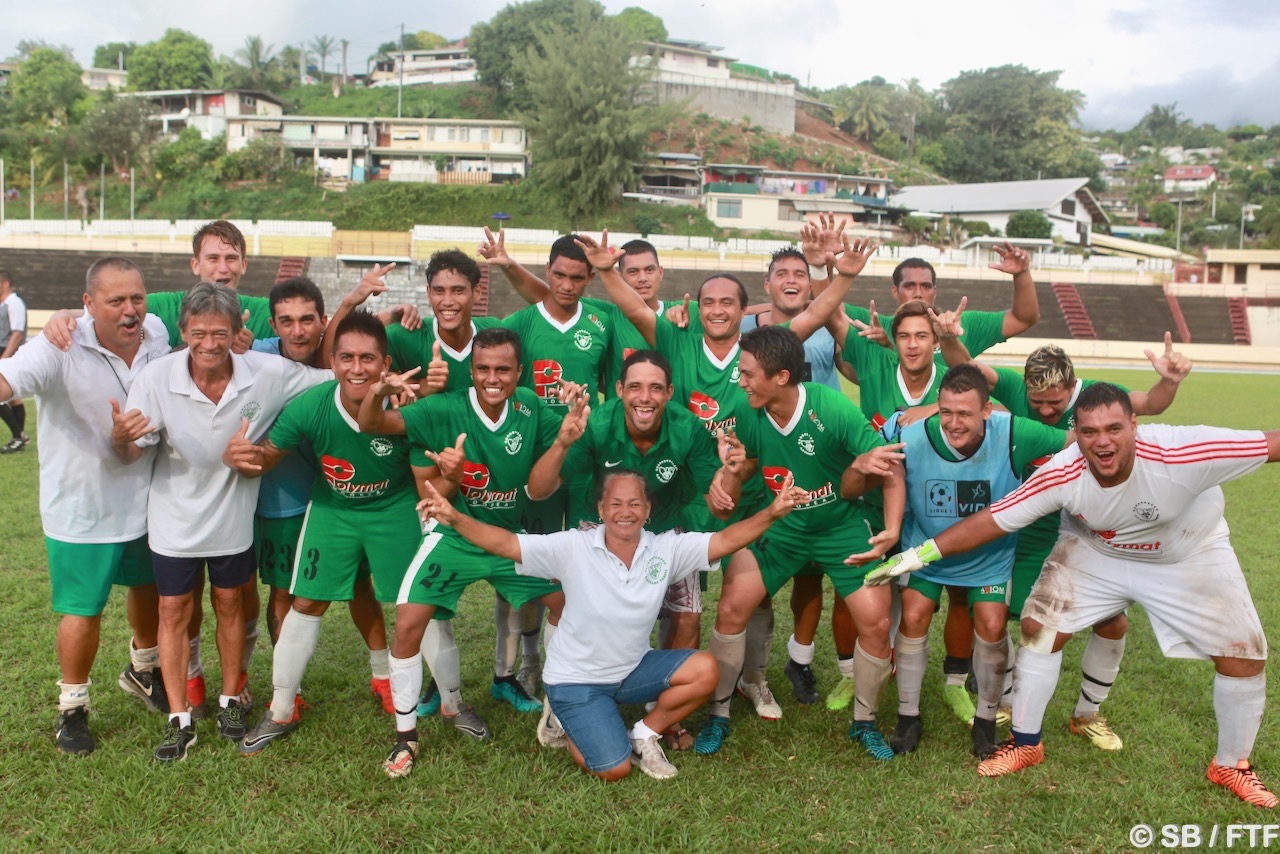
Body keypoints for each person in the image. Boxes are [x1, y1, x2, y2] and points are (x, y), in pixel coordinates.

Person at [866, 383, 1280, 808]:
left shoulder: (1184, 450)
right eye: (1089, 431)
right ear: (1076, 433)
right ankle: (1026, 742)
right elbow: (994, 520)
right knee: (1039, 626)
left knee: (1243, 653)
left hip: (1188, 551)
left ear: (1135, 425)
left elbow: (1271, 443)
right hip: (1098, 549)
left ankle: (1232, 764)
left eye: (1114, 428)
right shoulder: (1064, 470)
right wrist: (917, 555)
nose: (1102, 441)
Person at [586, 229, 874, 723]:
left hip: (751, 488)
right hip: (689, 492)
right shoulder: (676, 339)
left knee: (750, 595)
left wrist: (842, 277)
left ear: (744, 309)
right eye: (708, 302)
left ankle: (753, 679)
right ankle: (662, 681)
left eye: (727, 302)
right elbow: (635, 311)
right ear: (695, 309)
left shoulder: (761, 351)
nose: (717, 310)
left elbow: (811, 315)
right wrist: (608, 270)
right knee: (678, 594)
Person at [415, 467, 811, 781]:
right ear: (601, 510)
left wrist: (773, 512)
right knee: (613, 769)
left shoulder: (665, 548)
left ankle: (643, 733)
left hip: (630, 670)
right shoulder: (572, 546)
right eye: (616, 503)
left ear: (648, 509)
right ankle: (565, 718)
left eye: (635, 503)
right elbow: (505, 543)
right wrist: (453, 517)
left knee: (706, 668)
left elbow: (725, 540)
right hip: (576, 680)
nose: (626, 512)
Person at [112, 282, 331, 762]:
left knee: (231, 603)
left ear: (237, 333)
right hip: (173, 520)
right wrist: (120, 437)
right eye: (197, 333)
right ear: (183, 331)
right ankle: (179, 717)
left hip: (233, 518)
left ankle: (232, 701)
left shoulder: (267, 373)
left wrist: (396, 381)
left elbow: (334, 379)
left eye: (219, 333)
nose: (208, 344)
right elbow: (131, 452)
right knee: (173, 612)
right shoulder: (156, 378)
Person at [358, 326, 583, 777]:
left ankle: (557, 707)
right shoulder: (443, 407)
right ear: (472, 370)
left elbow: (538, 492)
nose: (492, 378)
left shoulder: (533, 408)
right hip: (454, 537)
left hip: (507, 538)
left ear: (520, 372)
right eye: (483, 368)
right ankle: (405, 738)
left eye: (503, 369)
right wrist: (378, 392)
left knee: (568, 603)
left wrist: (561, 442)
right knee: (407, 621)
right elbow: (372, 424)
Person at [954, 335, 1193, 751]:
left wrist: (1169, 381)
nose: (1045, 411)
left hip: (1085, 530)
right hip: (1026, 524)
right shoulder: (1011, 386)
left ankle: (1087, 713)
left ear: (1073, 388)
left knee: (1113, 621)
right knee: (1004, 614)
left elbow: (1149, 403)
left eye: (1056, 403)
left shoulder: (1094, 399)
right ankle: (1008, 701)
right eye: (1038, 402)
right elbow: (967, 370)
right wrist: (946, 339)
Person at [699, 325, 906, 758]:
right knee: (733, 604)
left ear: (781, 377)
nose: (740, 381)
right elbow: (748, 461)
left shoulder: (831, 408)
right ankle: (717, 714)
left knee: (876, 622)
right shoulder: (748, 406)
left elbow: (889, 465)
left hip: (840, 527)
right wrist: (727, 477)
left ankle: (865, 722)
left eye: (748, 373)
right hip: (782, 526)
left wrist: (889, 528)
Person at [526, 348, 743, 749]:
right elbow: (539, 491)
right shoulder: (597, 424)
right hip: (603, 530)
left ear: (670, 392)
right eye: (636, 387)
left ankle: (663, 716)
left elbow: (719, 508)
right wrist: (560, 443)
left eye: (656, 388)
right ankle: (563, 697)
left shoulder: (689, 428)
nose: (646, 397)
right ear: (620, 389)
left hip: (664, 533)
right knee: (580, 611)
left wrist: (729, 476)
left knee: (687, 616)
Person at [227, 310, 421, 754]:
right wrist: (241, 455)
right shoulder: (310, 405)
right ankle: (280, 709)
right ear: (332, 363)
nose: (357, 368)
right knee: (307, 600)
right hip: (334, 508)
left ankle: (416, 690)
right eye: (347, 358)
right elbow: (267, 458)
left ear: (385, 364)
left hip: (394, 508)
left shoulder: (407, 404)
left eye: (368, 358)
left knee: (416, 601)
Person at [0, 257, 171, 754]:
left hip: (146, 497)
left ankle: (143, 671)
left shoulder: (157, 332)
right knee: (83, 610)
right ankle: (72, 709)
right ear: (87, 304)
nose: (129, 310)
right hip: (82, 508)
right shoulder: (58, 345)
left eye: (136, 298)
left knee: (148, 589)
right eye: (114, 301)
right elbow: (9, 381)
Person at [869, 364, 1067, 758]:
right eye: (945, 412)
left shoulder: (1014, 432)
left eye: (964, 413)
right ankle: (909, 716)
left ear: (988, 410)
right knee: (912, 617)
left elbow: (1078, 441)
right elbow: (867, 448)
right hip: (925, 548)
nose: (953, 424)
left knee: (993, 625)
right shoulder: (911, 434)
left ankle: (986, 722)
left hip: (988, 555)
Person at [248, 278, 396, 721]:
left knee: (357, 586)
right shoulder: (252, 356)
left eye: (307, 320)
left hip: (336, 499)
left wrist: (363, 303)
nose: (297, 331)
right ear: (273, 325)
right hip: (279, 499)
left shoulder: (339, 365)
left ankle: (382, 676)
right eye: (287, 322)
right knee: (286, 593)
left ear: (322, 323)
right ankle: (285, 691)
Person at [0, 267, 31, 452]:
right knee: (14, 399)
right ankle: (19, 437)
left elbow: (17, 333)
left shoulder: (14, 303)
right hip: (4, 351)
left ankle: (19, 436)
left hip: (7, 352)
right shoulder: (3, 305)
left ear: (5, 284)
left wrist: (5, 358)